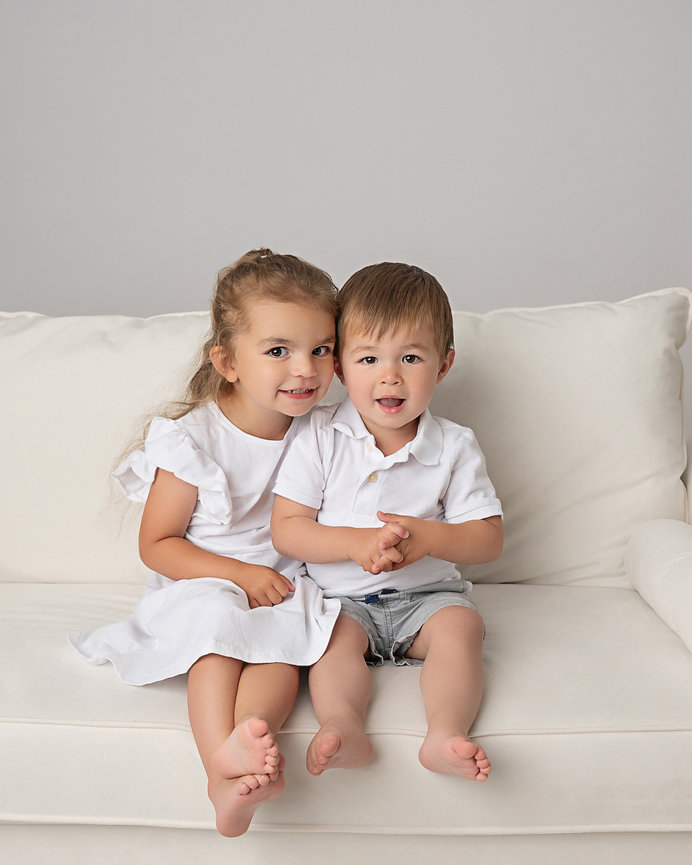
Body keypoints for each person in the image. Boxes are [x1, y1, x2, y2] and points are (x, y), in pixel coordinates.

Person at [70, 249, 341, 836]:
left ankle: (251, 741)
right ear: (227, 361)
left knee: (283, 645)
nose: (305, 369)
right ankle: (217, 769)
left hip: (282, 581)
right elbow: (159, 544)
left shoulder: (325, 429)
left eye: (321, 348)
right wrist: (240, 576)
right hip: (203, 578)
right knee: (219, 627)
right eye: (278, 351)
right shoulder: (194, 441)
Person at [271, 261, 503, 783]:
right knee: (330, 647)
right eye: (369, 358)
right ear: (339, 368)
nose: (389, 375)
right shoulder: (319, 435)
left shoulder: (453, 445)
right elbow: (288, 527)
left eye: (411, 358)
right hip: (341, 602)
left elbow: (488, 539)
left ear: (443, 366)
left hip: (427, 600)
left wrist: (429, 537)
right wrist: (354, 544)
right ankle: (343, 725)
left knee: (461, 628)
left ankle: (444, 733)